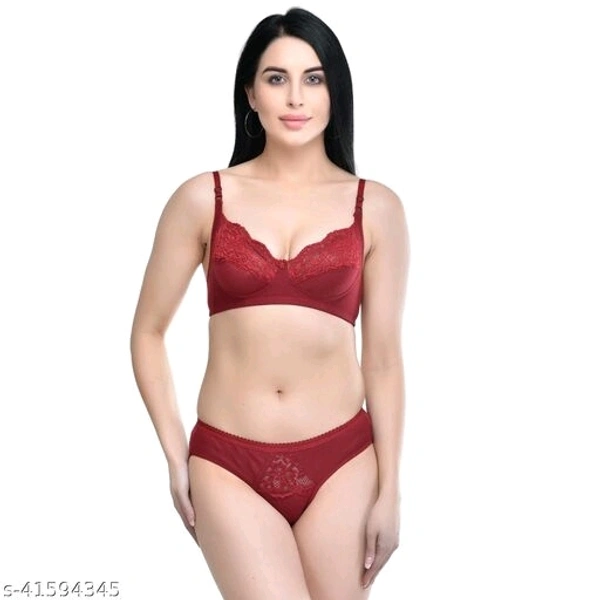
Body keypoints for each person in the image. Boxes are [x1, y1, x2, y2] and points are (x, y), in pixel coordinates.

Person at [130, 7, 410, 599]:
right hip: (227, 464)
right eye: (276, 77)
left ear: (336, 92)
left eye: (314, 78)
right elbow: (148, 332)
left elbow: (383, 358)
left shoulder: (377, 207)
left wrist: (391, 488)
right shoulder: (202, 198)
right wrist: (175, 455)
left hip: (343, 462)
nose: (296, 97)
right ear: (250, 94)